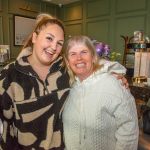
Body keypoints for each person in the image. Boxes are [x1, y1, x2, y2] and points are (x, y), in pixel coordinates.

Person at [0, 13, 128, 150]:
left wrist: (114, 73)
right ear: (35, 37)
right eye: (49, 38)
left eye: (59, 43)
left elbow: (93, 64)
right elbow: (4, 129)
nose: (54, 47)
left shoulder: (65, 67)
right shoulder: (9, 75)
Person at [62, 35, 139, 150]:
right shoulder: (67, 87)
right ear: (68, 62)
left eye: (84, 52)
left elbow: (129, 128)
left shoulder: (113, 83)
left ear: (93, 57)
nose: (79, 58)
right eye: (73, 54)